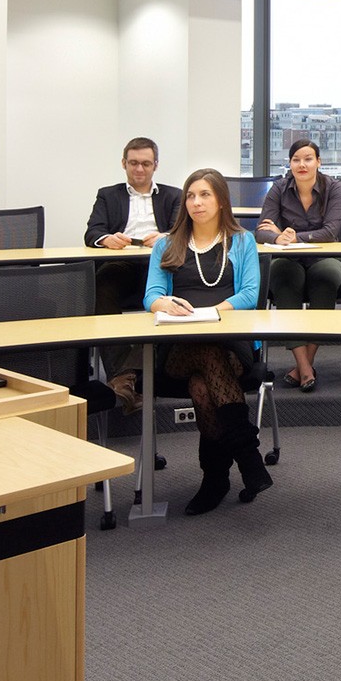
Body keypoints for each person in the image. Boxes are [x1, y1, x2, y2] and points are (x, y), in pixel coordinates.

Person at [146, 169, 273, 516]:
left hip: (231, 343)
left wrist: (212, 312)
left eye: (204, 195)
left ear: (221, 201)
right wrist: (164, 304)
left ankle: (215, 478)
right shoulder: (166, 244)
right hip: (179, 347)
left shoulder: (242, 241)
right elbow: (151, 295)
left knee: (204, 387)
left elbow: (249, 294)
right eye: (190, 195)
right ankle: (248, 456)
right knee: (202, 355)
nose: (196, 202)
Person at [257, 139, 341, 392]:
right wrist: (277, 237)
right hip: (289, 258)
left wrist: (293, 236)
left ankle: (304, 365)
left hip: (325, 256)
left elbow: (330, 232)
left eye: (308, 159)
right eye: (296, 159)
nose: (302, 164)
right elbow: (261, 230)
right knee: (283, 277)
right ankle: (305, 366)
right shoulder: (278, 188)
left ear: (318, 162)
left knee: (326, 277)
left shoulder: (334, 188)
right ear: (289, 164)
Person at [85, 136, 181, 315]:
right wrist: (107, 239)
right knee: (102, 285)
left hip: (162, 261)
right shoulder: (107, 195)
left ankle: (166, 342)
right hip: (122, 262)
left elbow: (182, 231)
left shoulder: (174, 195)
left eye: (146, 164)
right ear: (124, 163)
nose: (139, 169)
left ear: (155, 165)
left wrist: (165, 238)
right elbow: (92, 231)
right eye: (133, 163)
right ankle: (117, 342)